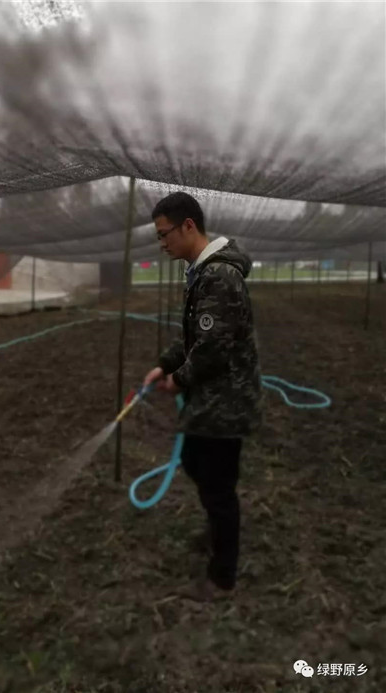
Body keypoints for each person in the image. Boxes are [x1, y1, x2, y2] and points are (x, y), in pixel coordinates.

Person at [143, 191, 261, 601]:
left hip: (226, 401)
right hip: (212, 399)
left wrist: (178, 380)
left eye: (164, 234)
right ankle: (216, 532)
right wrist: (165, 363)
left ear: (188, 226)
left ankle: (222, 577)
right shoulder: (201, 273)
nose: (161, 243)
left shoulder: (219, 277)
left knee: (218, 486)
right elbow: (195, 336)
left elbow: (211, 350)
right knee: (196, 462)